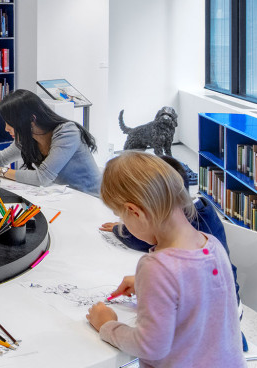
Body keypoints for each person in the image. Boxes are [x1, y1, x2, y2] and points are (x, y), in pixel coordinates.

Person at [85, 152, 244, 367]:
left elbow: (150, 346)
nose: (123, 223)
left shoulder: (156, 267)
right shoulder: (212, 244)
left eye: (121, 216)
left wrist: (107, 325)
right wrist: (148, 286)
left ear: (134, 211)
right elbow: (197, 292)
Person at [0, 89, 100, 196]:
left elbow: (42, 178)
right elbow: (1, 158)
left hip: (90, 199)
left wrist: (0, 171)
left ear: (31, 119)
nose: (6, 128)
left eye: (10, 122)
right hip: (63, 196)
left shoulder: (67, 132)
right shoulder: (28, 136)